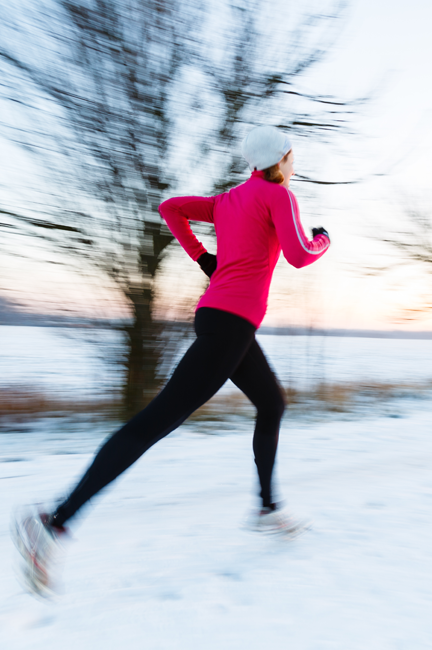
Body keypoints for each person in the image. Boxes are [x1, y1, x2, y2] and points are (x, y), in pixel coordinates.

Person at [12, 126, 331, 596]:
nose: (293, 162)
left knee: (271, 403)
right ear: (280, 160)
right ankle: (53, 522)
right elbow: (300, 254)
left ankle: (266, 509)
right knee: (155, 421)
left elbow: (171, 208)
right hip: (230, 326)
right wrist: (323, 238)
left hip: (220, 320)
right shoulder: (278, 195)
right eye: (290, 155)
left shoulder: (229, 200)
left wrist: (204, 258)